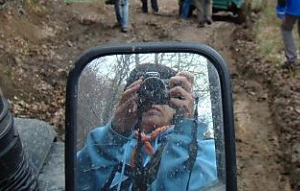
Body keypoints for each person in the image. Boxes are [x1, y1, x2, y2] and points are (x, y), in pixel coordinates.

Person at [76, 64, 218, 190]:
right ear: (129, 97)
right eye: (144, 91)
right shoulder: (107, 144)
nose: (153, 97)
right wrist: (115, 132)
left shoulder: (206, 150)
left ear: (178, 97)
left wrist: (185, 130)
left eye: (162, 89)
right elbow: (78, 181)